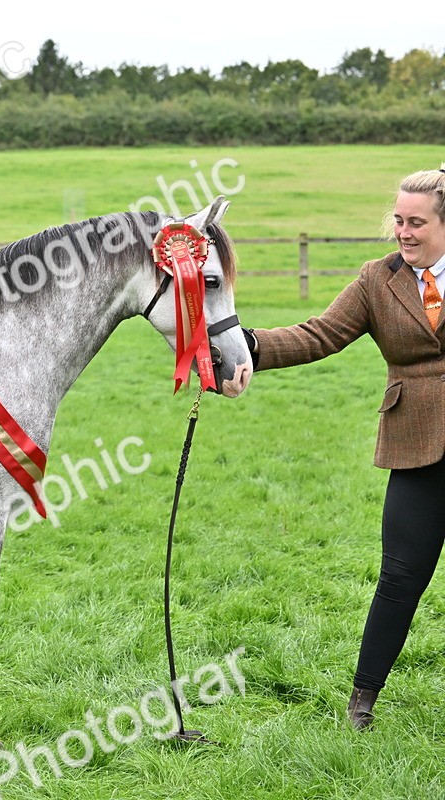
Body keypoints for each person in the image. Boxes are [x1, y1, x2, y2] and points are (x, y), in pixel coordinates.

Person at [243, 166, 445, 730]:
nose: (403, 233)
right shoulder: (378, 281)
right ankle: (362, 701)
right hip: (416, 448)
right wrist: (246, 347)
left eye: (416, 223)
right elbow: (320, 333)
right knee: (400, 576)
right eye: (398, 221)